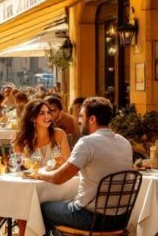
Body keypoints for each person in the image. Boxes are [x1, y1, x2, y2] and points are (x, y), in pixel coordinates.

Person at [32, 97, 133, 234]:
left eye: (81, 116)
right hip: (121, 218)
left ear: (92, 119)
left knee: (39, 208)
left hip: (91, 218)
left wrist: (40, 173)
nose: (78, 121)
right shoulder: (124, 142)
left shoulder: (87, 142)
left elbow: (59, 178)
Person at [14, 100, 71, 165]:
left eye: (48, 112)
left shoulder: (59, 134)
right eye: (42, 113)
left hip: (54, 174)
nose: (47, 116)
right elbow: (17, 164)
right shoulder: (23, 138)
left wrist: (60, 161)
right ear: (33, 118)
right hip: (31, 175)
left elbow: (68, 163)